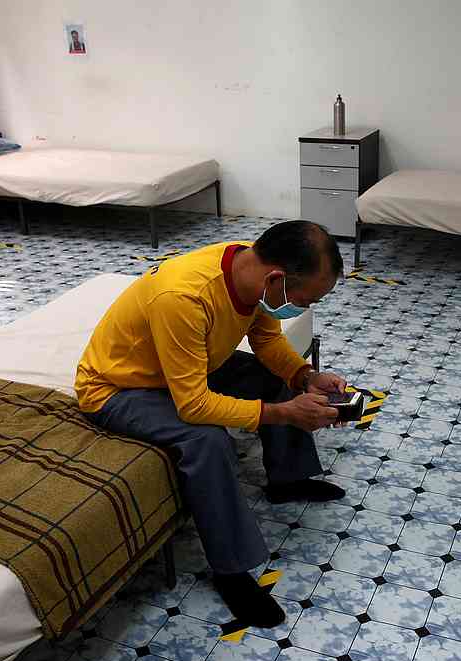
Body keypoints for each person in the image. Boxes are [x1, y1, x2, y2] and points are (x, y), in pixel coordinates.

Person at [76, 220, 347, 627]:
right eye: (306, 300)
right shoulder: (184, 296)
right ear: (278, 279)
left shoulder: (250, 267)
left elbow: (269, 343)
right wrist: (283, 413)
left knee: (275, 378)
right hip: (121, 388)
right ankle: (231, 571)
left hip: (186, 369)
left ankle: (287, 479)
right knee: (207, 440)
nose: (305, 309)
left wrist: (305, 377)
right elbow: (193, 406)